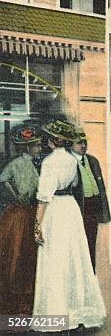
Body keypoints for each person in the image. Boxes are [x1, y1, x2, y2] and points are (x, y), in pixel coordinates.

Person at [32, 120, 106, 331]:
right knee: (74, 258)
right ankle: (77, 311)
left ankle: (57, 313)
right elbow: (73, 185)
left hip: (55, 209)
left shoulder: (48, 162)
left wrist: (37, 225)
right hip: (70, 209)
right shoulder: (72, 161)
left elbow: (44, 197)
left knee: (55, 261)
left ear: (52, 141)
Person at [0, 125, 42, 315]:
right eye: (37, 146)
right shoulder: (16, 163)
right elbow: (3, 179)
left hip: (30, 211)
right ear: (28, 148)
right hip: (18, 215)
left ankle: (27, 296)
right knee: (15, 253)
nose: (40, 149)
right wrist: (14, 194)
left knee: (28, 254)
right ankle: (12, 297)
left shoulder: (36, 164)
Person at [71, 127, 111, 273]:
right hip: (79, 207)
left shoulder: (92, 161)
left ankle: (91, 274)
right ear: (71, 145)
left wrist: (104, 211)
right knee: (77, 244)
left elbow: (101, 188)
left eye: (85, 142)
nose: (83, 146)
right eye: (79, 143)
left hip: (93, 206)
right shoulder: (69, 162)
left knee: (91, 241)